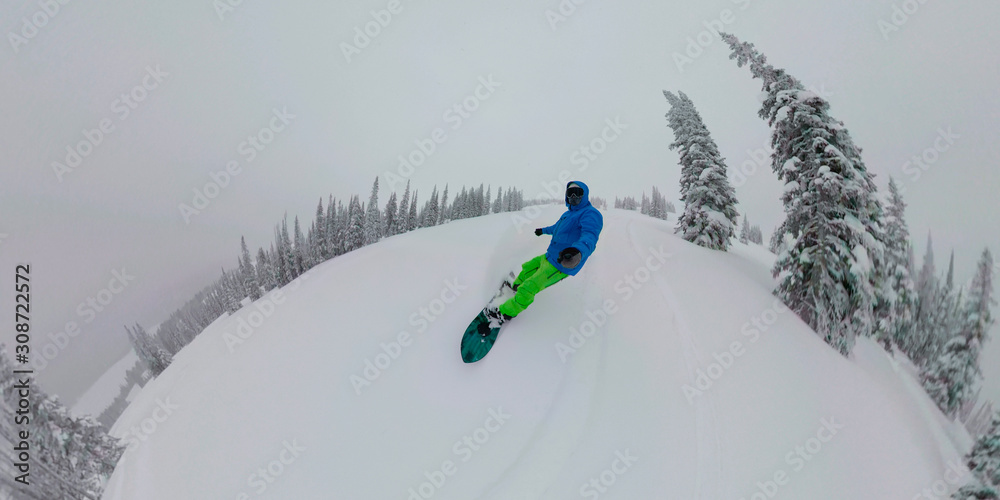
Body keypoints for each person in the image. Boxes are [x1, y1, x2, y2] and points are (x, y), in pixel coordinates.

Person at [486, 181, 603, 325]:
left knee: (530, 286)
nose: (573, 196)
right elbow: (557, 228)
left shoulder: (590, 214)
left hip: (562, 264)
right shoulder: (568, 214)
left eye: (578, 193)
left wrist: (578, 250)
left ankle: (506, 312)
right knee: (527, 267)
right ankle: (516, 287)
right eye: (570, 193)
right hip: (550, 256)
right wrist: (543, 230)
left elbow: (590, 236)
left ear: (584, 196)